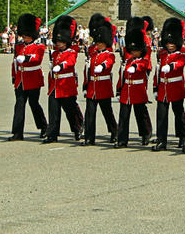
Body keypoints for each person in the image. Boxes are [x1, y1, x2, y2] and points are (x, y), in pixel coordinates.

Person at [43, 15, 84, 144]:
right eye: (57, 41)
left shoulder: (71, 52)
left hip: (66, 85)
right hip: (55, 85)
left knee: (70, 110)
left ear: (66, 41)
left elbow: (70, 63)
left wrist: (61, 66)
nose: (58, 43)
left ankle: (77, 129)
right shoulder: (55, 53)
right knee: (53, 111)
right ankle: (52, 134)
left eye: (60, 41)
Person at [7, 14, 48, 141]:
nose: (24, 37)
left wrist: (26, 58)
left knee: (34, 104)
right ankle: (18, 132)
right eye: (23, 35)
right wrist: (14, 76)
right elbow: (14, 62)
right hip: (21, 79)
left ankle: (44, 127)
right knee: (19, 105)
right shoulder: (19, 46)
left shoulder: (39, 46)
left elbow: (37, 59)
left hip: (33, 78)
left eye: (27, 35)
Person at [115, 23, 153, 148]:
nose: (134, 52)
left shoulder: (143, 60)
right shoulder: (129, 61)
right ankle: (122, 139)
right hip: (127, 90)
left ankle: (145, 133)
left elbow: (142, 67)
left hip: (138, 90)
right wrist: (119, 89)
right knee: (124, 115)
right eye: (132, 50)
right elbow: (122, 76)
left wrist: (135, 66)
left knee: (140, 114)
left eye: (136, 50)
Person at [153, 18, 185, 151]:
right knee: (161, 115)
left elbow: (181, 63)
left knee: (179, 114)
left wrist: (172, 66)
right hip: (163, 88)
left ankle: (183, 138)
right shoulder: (162, 53)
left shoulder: (182, 52)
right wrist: (156, 87)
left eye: (172, 42)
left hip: (176, 86)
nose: (170, 45)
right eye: (168, 42)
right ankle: (162, 140)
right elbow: (157, 70)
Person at [83, 18, 117, 146]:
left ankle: (115, 131)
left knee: (107, 112)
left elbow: (109, 63)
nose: (98, 45)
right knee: (90, 113)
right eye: (97, 43)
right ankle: (89, 137)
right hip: (92, 87)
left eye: (100, 43)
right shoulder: (93, 53)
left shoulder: (109, 54)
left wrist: (102, 67)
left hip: (103, 87)